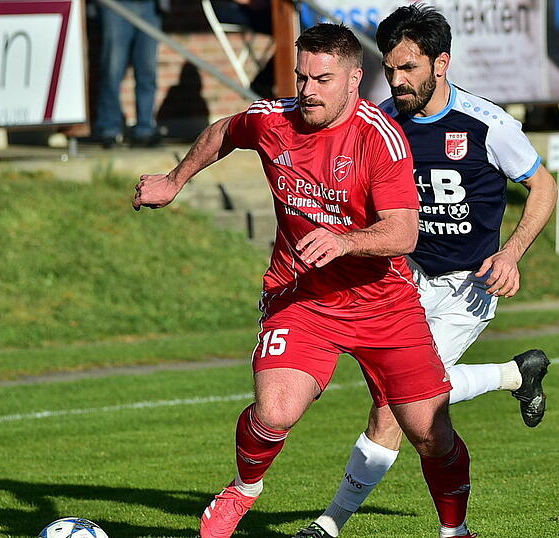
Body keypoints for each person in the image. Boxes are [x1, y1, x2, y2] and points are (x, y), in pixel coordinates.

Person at [135, 23, 477, 538]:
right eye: (301, 77)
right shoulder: (275, 121)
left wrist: (345, 241)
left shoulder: (381, 140)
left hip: (384, 305)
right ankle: (245, 488)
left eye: (322, 79)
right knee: (274, 412)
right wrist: (174, 179)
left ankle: (456, 532)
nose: (308, 91)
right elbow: (224, 132)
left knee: (430, 433)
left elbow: (404, 233)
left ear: (354, 80)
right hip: (303, 297)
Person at [296, 6, 558, 538]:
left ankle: (329, 525)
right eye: (390, 69)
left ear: (442, 64)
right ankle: (513, 375)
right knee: (401, 401)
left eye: (410, 68)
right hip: (404, 280)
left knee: (399, 402)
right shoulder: (384, 121)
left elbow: (545, 187)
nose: (398, 81)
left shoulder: (488, 124)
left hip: (468, 286)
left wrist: (511, 254)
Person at [93, 0, 166, 148]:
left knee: (147, 72)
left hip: (149, 6)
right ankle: (109, 129)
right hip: (114, 5)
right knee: (112, 72)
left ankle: (145, 129)